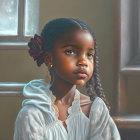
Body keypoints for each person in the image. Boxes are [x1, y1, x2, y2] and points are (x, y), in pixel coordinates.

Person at [13, 18, 121, 140]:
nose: (83, 62)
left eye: (89, 54)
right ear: (49, 59)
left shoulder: (95, 110)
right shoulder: (32, 115)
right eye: (70, 51)